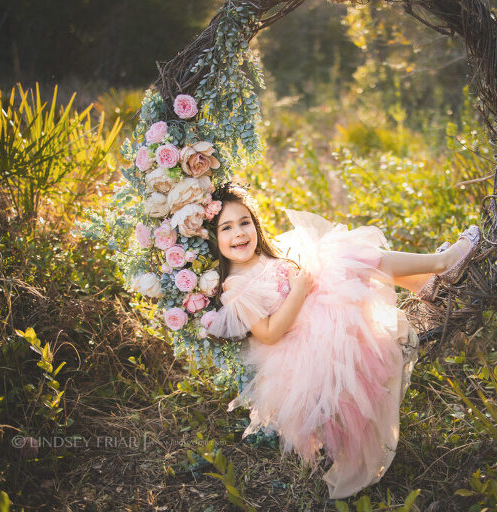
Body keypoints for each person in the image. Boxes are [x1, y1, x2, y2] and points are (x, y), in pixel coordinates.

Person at [205, 183, 480, 499]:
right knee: (349, 259)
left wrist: (305, 282)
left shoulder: (263, 258)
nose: (239, 232)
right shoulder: (235, 284)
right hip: (304, 342)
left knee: (347, 256)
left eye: (244, 222)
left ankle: (429, 279)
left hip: (313, 312)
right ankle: (441, 264)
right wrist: (300, 290)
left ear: (255, 224)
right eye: (226, 227)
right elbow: (269, 333)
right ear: (215, 239)